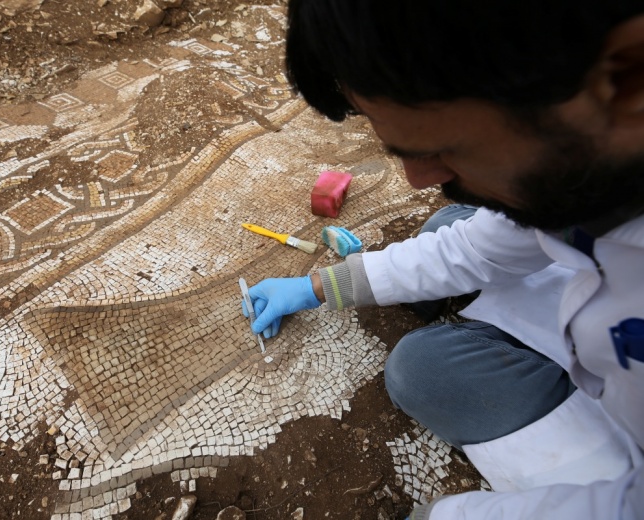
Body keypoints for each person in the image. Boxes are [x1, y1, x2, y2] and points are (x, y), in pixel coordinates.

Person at [242, 1, 644, 518]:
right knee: (450, 227)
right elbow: (476, 247)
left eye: (445, 148)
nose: (418, 180)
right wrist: (320, 286)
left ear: (627, 78)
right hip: (586, 316)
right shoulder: (589, 158)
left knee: (423, 371)